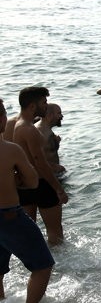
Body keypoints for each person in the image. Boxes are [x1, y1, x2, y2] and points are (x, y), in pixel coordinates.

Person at [0, 97, 55, 303]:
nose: (6, 116)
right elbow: (32, 181)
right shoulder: (10, 149)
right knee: (43, 266)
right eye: (3, 111)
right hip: (9, 216)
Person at [5, 87, 69, 247]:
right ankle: (59, 268)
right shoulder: (29, 130)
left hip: (24, 187)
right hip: (41, 185)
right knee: (55, 233)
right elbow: (40, 164)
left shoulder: (16, 125)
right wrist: (58, 189)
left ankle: (34, 265)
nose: (46, 106)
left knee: (28, 231)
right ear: (33, 106)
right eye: (44, 102)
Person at [37, 103, 65, 178]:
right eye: (59, 113)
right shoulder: (41, 132)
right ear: (50, 115)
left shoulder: (47, 130)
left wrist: (56, 143)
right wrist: (54, 167)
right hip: (46, 177)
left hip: (52, 173)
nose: (62, 116)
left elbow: (48, 151)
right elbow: (34, 159)